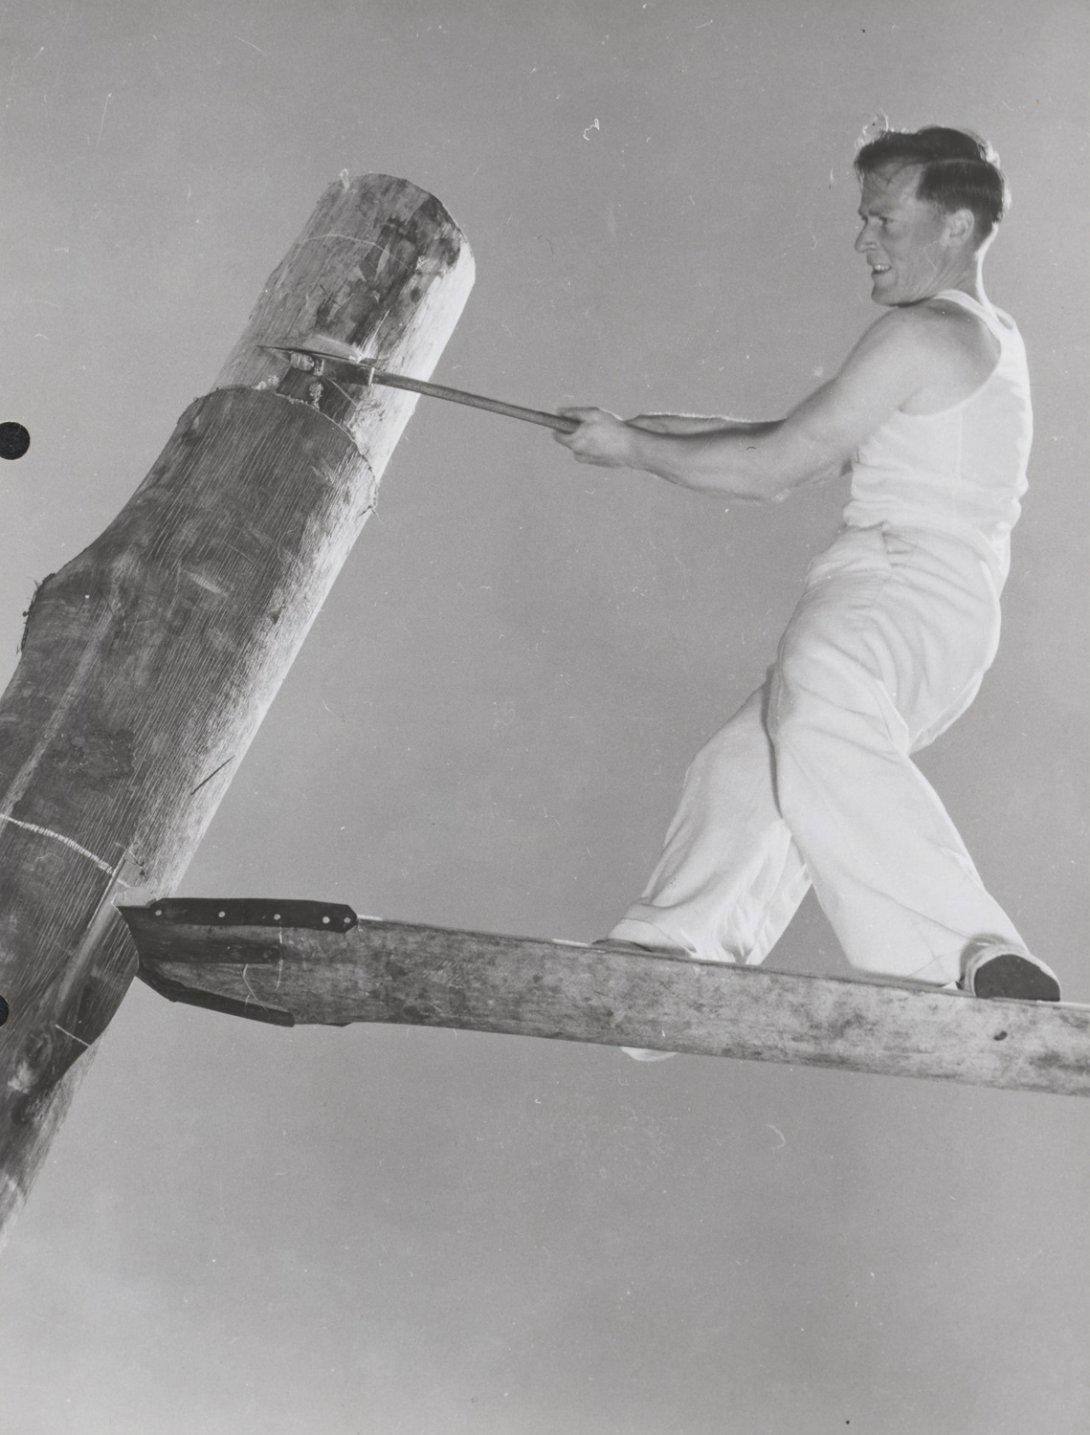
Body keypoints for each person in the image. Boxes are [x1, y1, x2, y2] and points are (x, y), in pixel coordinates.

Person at [553, 124, 1060, 1058]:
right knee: (750, 763)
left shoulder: (922, 331)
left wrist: (631, 450)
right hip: (932, 612)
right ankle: (674, 951)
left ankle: (969, 947)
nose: (863, 241)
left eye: (881, 219)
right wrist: (645, 436)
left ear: (953, 224)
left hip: (900, 585)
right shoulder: (978, 340)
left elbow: (776, 465)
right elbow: (804, 433)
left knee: (818, 698)